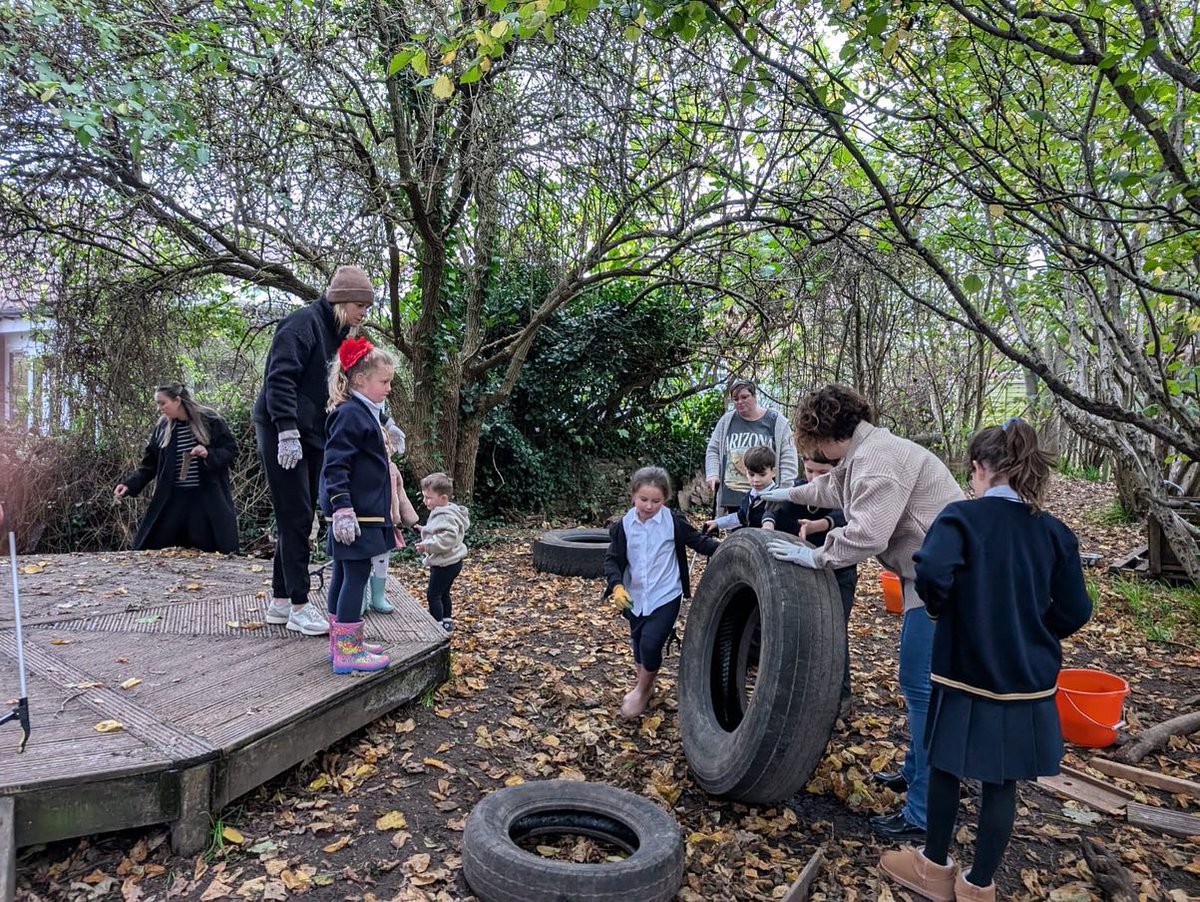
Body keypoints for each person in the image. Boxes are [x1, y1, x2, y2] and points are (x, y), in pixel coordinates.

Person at [878, 419, 1093, 902]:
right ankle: (978, 886)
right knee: (1002, 780)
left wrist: (943, 611)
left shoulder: (961, 518)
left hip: (964, 670)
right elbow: (1077, 608)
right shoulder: (1054, 532)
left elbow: (931, 570)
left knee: (946, 765)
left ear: (978, 468)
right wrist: (1037, 632)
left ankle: (933, 868)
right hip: (1027, 678)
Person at [759, 384, 963, 841]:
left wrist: (817, 556)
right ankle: (916, 774)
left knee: (922, 689)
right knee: (920, 686)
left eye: (814, 443)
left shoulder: (878, 462)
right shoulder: (866, 451)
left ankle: (924, 812)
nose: (814, 453)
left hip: (950, 583)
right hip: (926, 575)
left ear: (829, 434)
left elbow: (869, 534)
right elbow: (831, 486)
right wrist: (784, 494)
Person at [252, 265, 405, 638]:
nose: (362, 314)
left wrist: (385, 421)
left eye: (366, 307)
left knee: (299, 514)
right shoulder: (301, 325)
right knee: (296, 514)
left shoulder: (342, 338)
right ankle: (299, 607)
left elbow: (351, 386)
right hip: (282, 429)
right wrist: (286, 430)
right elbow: (279, 378)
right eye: (359, 306)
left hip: (315, 432)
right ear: (341, 301)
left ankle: (281, 601)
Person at [604, 466, 720, 719]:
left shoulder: (673, 523)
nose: (649, 506)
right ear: (633, 495)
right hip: (634, 595)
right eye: (643, 499)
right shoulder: (623, 526)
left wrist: (726, 547)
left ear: (665, 499)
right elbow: (612, 560)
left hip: (665, 594)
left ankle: (642, 690)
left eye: (656, 501)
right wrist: (617, 586)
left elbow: (698, 542)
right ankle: (645, 684)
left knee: (651, 642)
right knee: (638, 642)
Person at [319, 336, 398, 674]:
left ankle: (340, 643)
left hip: (361, 512)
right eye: (384, 382)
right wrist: (342, 508)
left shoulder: (361, 412)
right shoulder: (351, 414)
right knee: (356, 574)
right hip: (357, 513)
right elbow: (335, 464)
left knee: (344, 572)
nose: (389, 388)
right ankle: (348, 651)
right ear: (361, 380)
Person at [765, 451, 859, 717]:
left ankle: (842, 695)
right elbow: (774, 507)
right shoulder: (798, 488)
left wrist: (819, 525)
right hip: (802, 569)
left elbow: (848, 516)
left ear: (837, 467)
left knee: (834, 629)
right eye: (809, 471)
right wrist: (768, 526)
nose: (815, 478)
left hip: (839, 570)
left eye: (822, 472)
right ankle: (802, 690)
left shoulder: (846, 489)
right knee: (803, 628)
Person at [115, 383, 239, 553]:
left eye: (162, 403)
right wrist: (129, 485)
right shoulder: (163, 427)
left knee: (212, 551)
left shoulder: (210, 420)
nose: (160, 408)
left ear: (177, 400)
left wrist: (208, 454)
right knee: (152, 550)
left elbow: (230, 450)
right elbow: (150, 464)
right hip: (173, 499)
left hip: (205, 500)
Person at [705, 378, 798, 514]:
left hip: (766, 497)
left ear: (754, 396)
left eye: (744, 397)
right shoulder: (726, 421)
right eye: (736, 399)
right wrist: (713, 474)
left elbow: (788, 457)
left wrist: (784, 490)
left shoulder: (776, 421)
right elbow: (713, 449)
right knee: (734, 526)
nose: (740, 402)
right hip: (733, 496)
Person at [415, 472, 469, 634]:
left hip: (445, 563)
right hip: (452, 562)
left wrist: (427, 546)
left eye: (428, 498)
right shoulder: (448, 511)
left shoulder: (444, 515)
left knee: (433, 595)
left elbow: (447, 539)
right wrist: (424, 530)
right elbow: (439, 530)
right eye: (424, 497)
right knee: (443, 593)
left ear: (443, 498)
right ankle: (446, 622)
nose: (425, 501)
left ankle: (436, 627)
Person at [703, 444, 778, 532]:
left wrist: (768, 526)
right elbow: (739, 517)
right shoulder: (750, 496)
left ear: (773, 472)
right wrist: (717, 523)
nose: (756, 480)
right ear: (746, 472)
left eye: (762, 475)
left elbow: (773, 514)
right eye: (751, 474)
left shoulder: (778, 497)